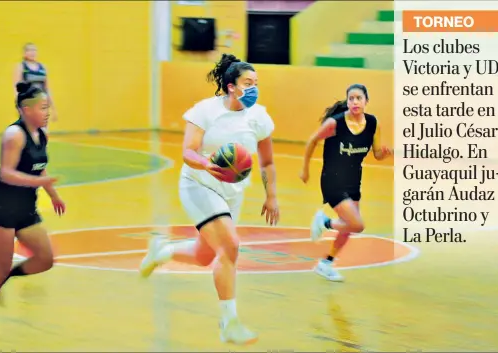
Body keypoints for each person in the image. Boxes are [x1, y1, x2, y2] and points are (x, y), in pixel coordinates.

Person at [138, 53, 279, 345]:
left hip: (233, 193)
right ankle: (229, 322)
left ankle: (161, 252)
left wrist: (271, 195)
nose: (253, 88)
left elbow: (267, 161)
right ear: (230, 86)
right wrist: (206, 164)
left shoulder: (260, 117)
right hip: (199, 185)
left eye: (256, 83)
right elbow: (188, 151)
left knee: (205, 256)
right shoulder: (205, 111)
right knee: (230, 247)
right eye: (247, 83)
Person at [0, 81, 66, 337]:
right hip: (1, 207)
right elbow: (6, 173)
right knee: (1, 266)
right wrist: (40, 182)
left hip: (26, 207)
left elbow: (40, 166)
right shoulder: (14, 135)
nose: (47, 112)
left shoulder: (42, 133)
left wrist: (53, 194)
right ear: (26, 110)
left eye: (48, 107)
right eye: (43, 107)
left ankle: (2, 277)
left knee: (45, 259)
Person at [299, 84, 393, 282]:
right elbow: (312, 140)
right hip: (332, 179)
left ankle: (326, 264)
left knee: (349, 227)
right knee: (356, 225)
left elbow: (376, 154)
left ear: (366, 101)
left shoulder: (373, 123)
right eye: (351, 98)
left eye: (359, 98)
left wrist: (383, 154)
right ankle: (323, 221)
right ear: (347, 101)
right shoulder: (335, 124)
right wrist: (305, 169)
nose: (355, 102)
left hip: (353, 180)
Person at [13, 43, 57, 123]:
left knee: (42, 131)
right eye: (29, 50)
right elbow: (17, 89)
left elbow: (47, 89)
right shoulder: (21, 67)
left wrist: (53, 108)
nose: (32, 52)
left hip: (42, 104)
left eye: (34, 50)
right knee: (30, 131)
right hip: (28, 104)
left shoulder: (43, 68)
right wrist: (18, 106)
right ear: (24, 53)